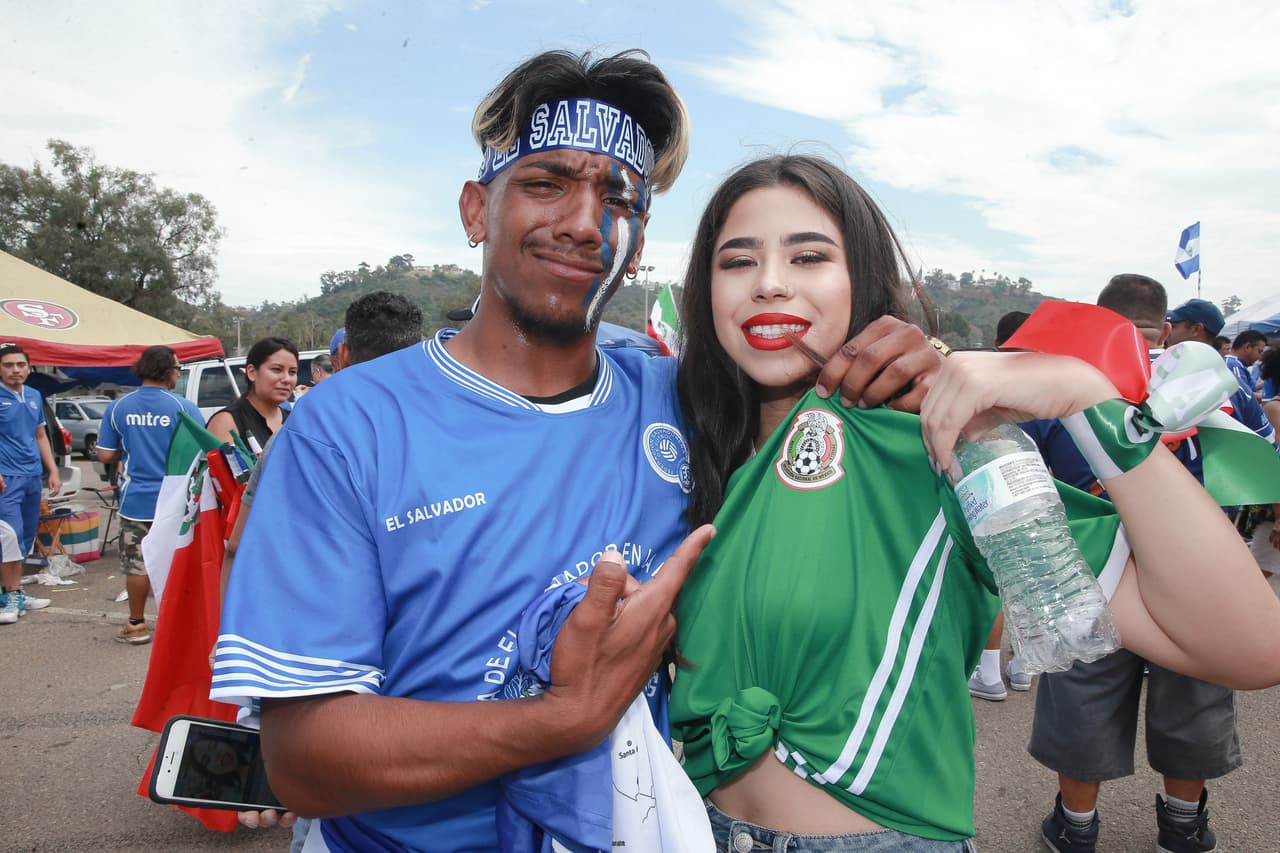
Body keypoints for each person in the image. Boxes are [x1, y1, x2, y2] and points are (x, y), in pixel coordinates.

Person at [211, 51, 941, 852]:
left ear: (639, 241)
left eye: (617, 195)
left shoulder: (684, 402)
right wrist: (558, 720)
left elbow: (820, 389)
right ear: (475, 209)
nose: (585, 222)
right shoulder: (348, 427)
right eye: (547, 183)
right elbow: (305, 759)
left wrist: (918, 361)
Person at [666, 155, 1280, 852]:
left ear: (861, 278)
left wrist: (1089, 402)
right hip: (686, 829)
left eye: (809, 256)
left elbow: (1253, 647)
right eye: (737, 261)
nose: (770, 283)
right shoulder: (670, 444)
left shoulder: (939, 442)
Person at [1019, 275, 1268, 853]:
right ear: (1165, 322)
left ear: (1101, 316)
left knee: (1084, 688)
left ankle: (1076, 827)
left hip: (1092, 568)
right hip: (1196, 570)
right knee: (1196, 688)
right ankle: (1183, 823)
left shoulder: (1067, 376)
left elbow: (1019, 463)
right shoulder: (1216, 379)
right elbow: (1259, 447)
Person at [96, 346, 204, 644]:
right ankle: (178, 625)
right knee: (178, 562)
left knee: (136, 563)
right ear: (166, 369)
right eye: (178, 368)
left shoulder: (118, 407)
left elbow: (105, 454)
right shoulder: (183, 407)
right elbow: (203, 452)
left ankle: (136, 624)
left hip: (136, 501)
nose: (179, 373)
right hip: (176, 502)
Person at [968, 310, 1034, 701]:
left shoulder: (982, 385)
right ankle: (1026, 664)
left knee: (992, 583)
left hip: (990, 494)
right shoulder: (1054, 389)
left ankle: (989, 672)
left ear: (997, 346)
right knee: (1030, 579)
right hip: (1041, 499)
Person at [0, 343, 59, 623]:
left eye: (20, 365)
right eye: (8, 365)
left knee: (24, 537)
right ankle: (10, 594)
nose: (15, 370)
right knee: (8, 536)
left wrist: (53, 470)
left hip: (32, 476)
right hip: (6, 477)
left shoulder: (34, 395)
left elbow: (40, 436)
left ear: (29, 367)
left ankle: (15, 590)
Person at [205, 337, 298, 454]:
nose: (286, 379)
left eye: (292, 372)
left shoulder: (294, 421)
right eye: (276, 370)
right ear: (252, 372)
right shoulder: (227, 421)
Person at [1226, 329, 1266, 394]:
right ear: (1247, 347)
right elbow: (1244, 395)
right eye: (1259, 351)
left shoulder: (1237, 364)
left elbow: (1251, 388)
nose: (1259, 357)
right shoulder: (1234, 365)